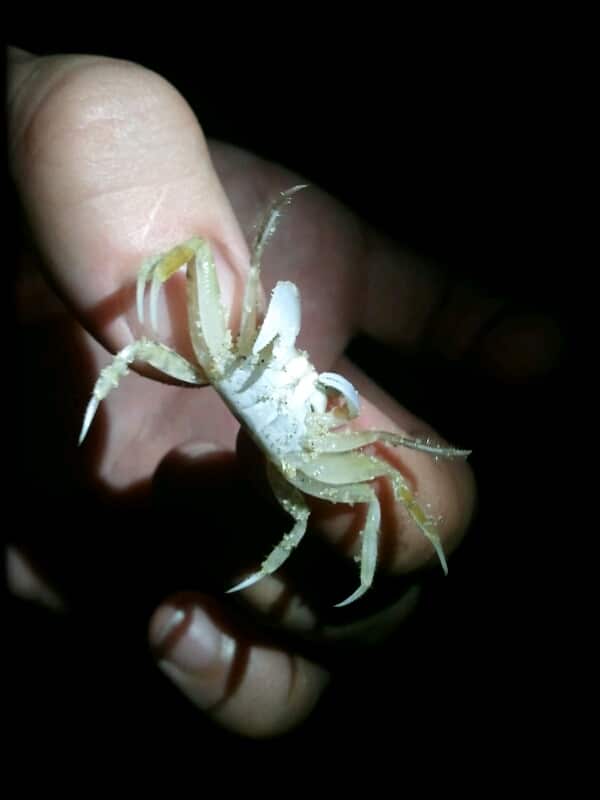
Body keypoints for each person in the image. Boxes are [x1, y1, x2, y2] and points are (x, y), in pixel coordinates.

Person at [7, 46, 558, 739]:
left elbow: (365, 490)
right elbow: (206, 260)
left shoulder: (321, 446)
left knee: (371, 506)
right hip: (231, 363)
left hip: (288, 448)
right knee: (190, 289)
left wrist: (369, 548)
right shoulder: (236, 330)